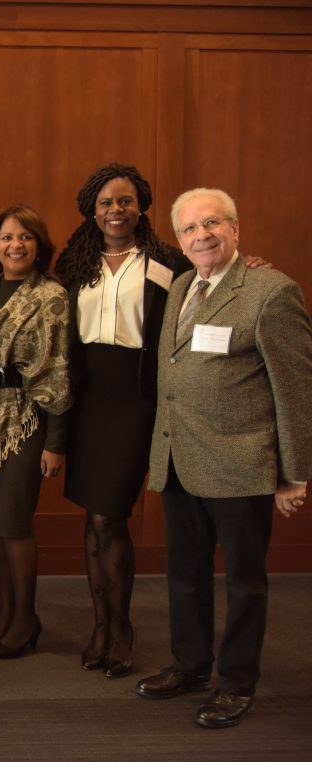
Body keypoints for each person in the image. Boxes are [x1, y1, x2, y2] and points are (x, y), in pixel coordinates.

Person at [137, 188, 312, 729]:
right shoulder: (183, 285)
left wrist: (294, 472)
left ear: (235, 228)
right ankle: (190, 665)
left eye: (211, 223)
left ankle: (237, 682)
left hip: (241, 464)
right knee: (185, 572)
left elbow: (296, 389)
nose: (201, 236)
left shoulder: (270, 290)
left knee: (243, 580)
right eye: (189, 229)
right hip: (179, 458)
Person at [53, 163, 188, 677]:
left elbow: (209, 288)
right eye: (107, 202)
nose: (116, 211)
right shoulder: (74, 263)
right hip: (87, 395)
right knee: (91, 517)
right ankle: (101, 626)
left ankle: (123, 626)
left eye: (126, 201)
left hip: (136, 397)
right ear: (92, 208)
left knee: (110, 514)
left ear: (142, 206)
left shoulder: (167, 261)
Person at [0, 204, 72, 659]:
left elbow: (60, 371)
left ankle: (26, 619)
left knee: (13, 521)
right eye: (8, 237)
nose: (16, 245)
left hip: (26, 419)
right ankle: (6, 611)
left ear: (39, 246)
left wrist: (55, 443)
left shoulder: (51, 295)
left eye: (26, 237)